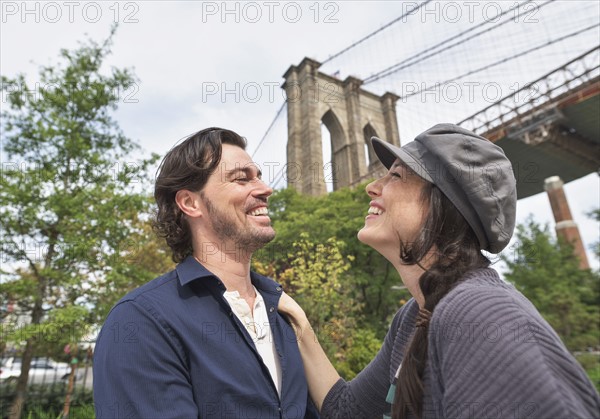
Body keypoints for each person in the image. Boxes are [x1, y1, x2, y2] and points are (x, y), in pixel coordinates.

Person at [279, 123, 600, 419]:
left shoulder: (480, 314)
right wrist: (299, 324)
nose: (372, 187)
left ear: (441, 205)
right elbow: (347, 411)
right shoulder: (414, 317)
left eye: (396, 176)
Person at [93, 128, 319, 418]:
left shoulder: (284, 313)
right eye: (242, 178)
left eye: (259, 175)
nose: (266, 188)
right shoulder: (139, 321)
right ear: (190, 203)